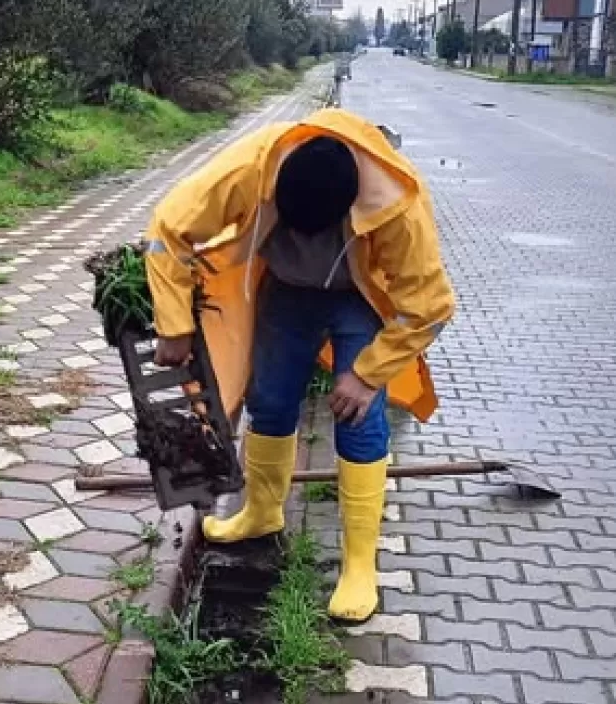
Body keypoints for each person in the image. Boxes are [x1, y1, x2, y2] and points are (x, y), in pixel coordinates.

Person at [145, 109, 454, 624]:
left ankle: (359, 565)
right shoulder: (251, 166)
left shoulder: (398, 203)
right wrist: (172, 322)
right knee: (270, 399)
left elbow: (430, 306)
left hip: (357, 296)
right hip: (286, 289)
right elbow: (167, 229)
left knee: (358, 416)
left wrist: (367, 373)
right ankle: (263, 513)